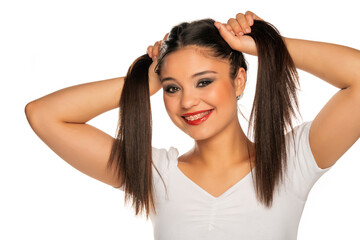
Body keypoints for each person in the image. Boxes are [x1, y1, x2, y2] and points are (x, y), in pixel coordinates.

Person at [25, 11, 360, 240]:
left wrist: (262, 45)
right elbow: (43, 115)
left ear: (239, 80)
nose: (186, 102)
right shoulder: (155, 173)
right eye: (172, 87)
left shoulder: (291, 163)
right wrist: (141, 83)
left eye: (203, 82)